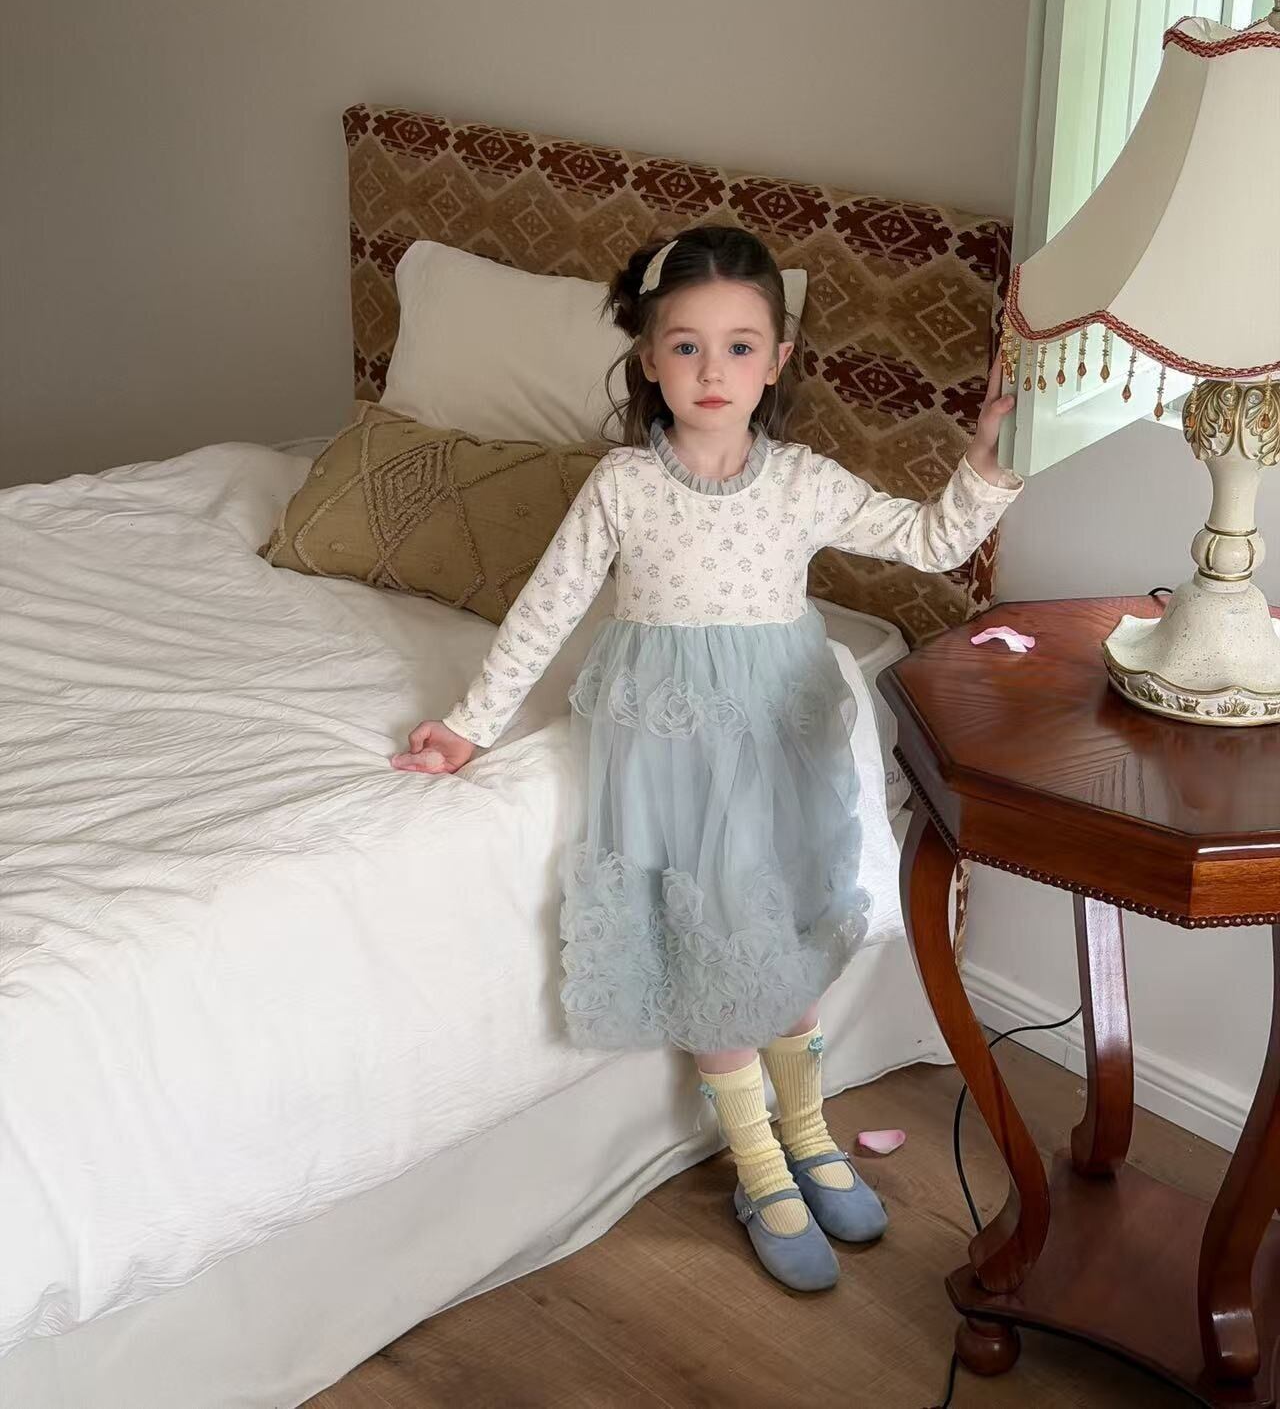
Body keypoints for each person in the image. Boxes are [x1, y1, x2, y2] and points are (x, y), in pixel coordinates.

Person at [392, 225, 1020, 1290]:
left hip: (779, 732)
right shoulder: (623, 486)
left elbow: (928, 540)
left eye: (739, 346)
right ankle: (756, 1157)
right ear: (647, 357)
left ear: (777, 361)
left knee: (779, 930)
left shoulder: (803, 482)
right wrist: (469, 723)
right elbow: (545, 609)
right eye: (685, 346)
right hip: (670, 744)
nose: (711, 370)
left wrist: (984, 464)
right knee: (712, 938)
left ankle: (808, 1128)